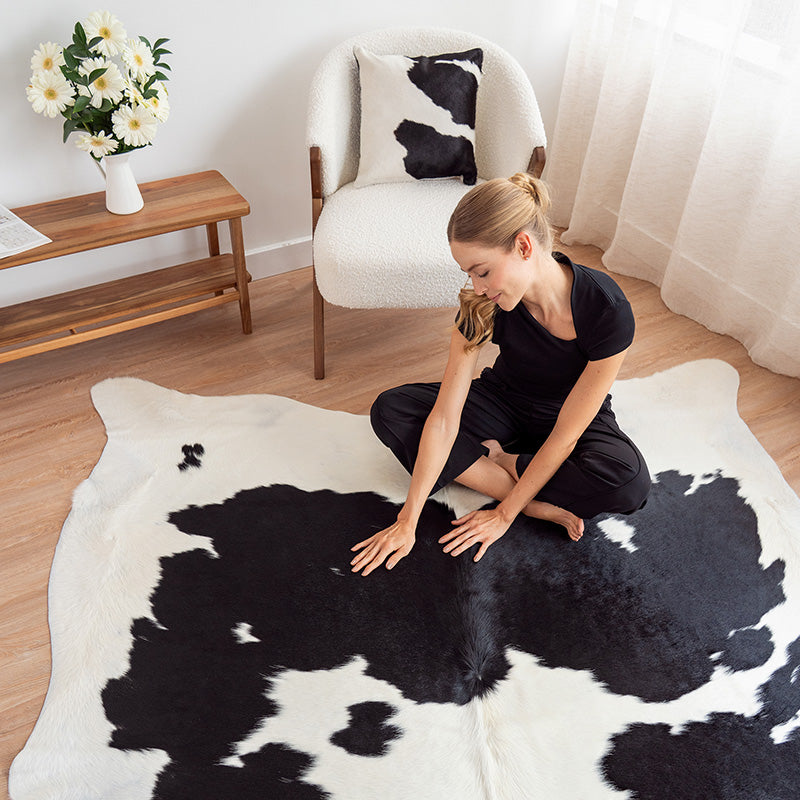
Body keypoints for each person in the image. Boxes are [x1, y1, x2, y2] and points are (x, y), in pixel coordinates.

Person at [351, 173, 651, 576]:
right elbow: (444, 418)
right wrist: (408, 520)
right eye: (469, 274)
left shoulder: (607, 309)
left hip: (569, 418)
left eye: (482, 271)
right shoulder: (482, 303)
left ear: (523, 246)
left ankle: (507, 463)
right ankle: (536, 500)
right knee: (393, 409)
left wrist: (504, 515)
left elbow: (566, 434)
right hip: (502, 401)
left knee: (627, 482)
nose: (475, 286)